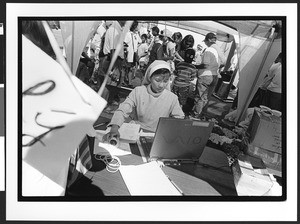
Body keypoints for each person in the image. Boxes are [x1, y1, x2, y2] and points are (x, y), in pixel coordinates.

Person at [104, 60, 184, 140]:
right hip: (137, 133)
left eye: (165, 81)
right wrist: (114, 128)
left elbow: (179, 119)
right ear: (150, 77)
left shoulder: (172, 98)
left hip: (158, 136)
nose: (161, 85)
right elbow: (123, 110)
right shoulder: (139, 91)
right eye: (157, 80)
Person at [193, 32, 220, 118]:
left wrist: (195, 66)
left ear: (208, 40)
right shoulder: (217, 51)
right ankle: (202, 115)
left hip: (205, 76)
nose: (205, 43)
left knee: (200, 97)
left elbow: (205, 64)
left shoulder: (209, 50)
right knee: (206, 98)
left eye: (205, 41)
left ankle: (195, 115)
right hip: (214, 76)